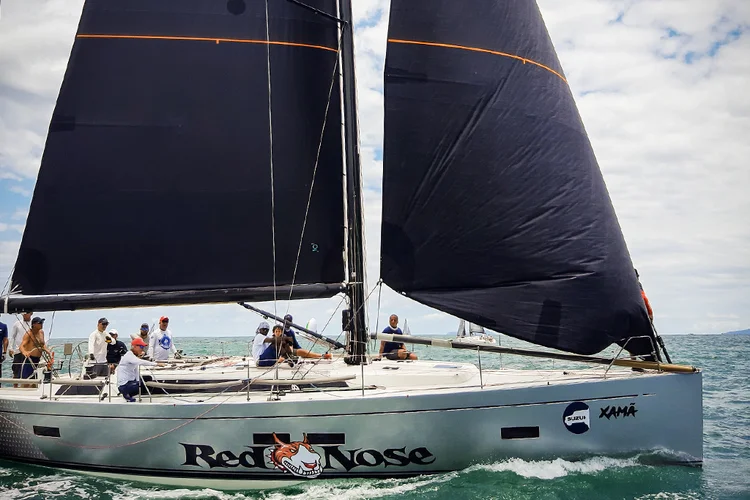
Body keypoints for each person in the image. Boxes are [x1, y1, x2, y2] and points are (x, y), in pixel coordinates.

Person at [115, 337, 165, 402]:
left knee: (148, 378)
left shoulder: (133, 356)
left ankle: (137, 393)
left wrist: (138, 381)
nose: (142, 349)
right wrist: (156, 364)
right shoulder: (129, 355)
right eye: (141, 347)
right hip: (124, 385)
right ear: (135, 347)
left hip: (130, 381)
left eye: (143, 347)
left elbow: (136, 371)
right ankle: (126, 394)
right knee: (139, 386)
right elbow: (140, 362)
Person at [18, 317, 52, 387]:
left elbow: (43, 345)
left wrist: (48, 351)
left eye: (42, 322)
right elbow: (21, 346)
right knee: (27, 381)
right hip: (29, 360)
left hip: (37, 360)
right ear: (33, 324)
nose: (42, 324)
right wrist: (25, 352)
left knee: (35, 380)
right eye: (40, 323)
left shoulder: (41, 332)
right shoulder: (29, 334)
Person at [8, 311, 33, 386]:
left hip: (29, 351)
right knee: (16, 371)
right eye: (23, 313)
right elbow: (12, 336)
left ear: (31, 313)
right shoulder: (17, 324)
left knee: (29, 371)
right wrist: (10, 348)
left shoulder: (34, 324)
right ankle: (15, 387)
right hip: (18, 351)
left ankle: (28, 387)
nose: (25, 314)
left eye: (27, 312)